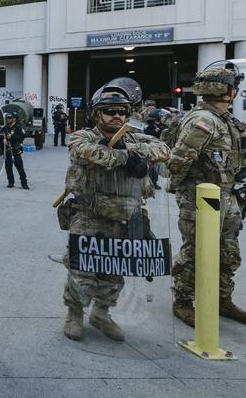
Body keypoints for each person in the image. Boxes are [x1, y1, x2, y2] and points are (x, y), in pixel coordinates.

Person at [62, 80, 169, 342]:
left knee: (114, 271)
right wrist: (126, 158)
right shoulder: (84, 136)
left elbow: (163, 150)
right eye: (110, 111)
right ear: (97, 114)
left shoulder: (136, 136)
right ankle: (74, 314)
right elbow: (86, 151)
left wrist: (131, 151)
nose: (117, 116)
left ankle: (101, 313)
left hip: (126, 217)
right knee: (81, 271)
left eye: (122, 111)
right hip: (90, 215)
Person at [167, 61, 246, 329]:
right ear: (227, 91)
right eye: (234, 87)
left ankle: (222, 300)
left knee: (228, 250)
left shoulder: (225, 119)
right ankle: (183, 301)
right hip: (201, 197)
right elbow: (178, 160)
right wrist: (186, 191)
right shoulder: (203, 120)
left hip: (227, 194)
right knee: (196, 250)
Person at [2, 111, 29, 189]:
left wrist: (12, 137)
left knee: (19, 167)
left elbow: (22, 138)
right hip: (8, 150)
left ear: (14, 119)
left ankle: (24, 183)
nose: (8, 119)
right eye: (7, 118)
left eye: (10, 118)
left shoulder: (18, 128)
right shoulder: (5, 128)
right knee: (8, 167)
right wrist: (3, 140)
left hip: (16, 149)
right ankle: (10, 182)